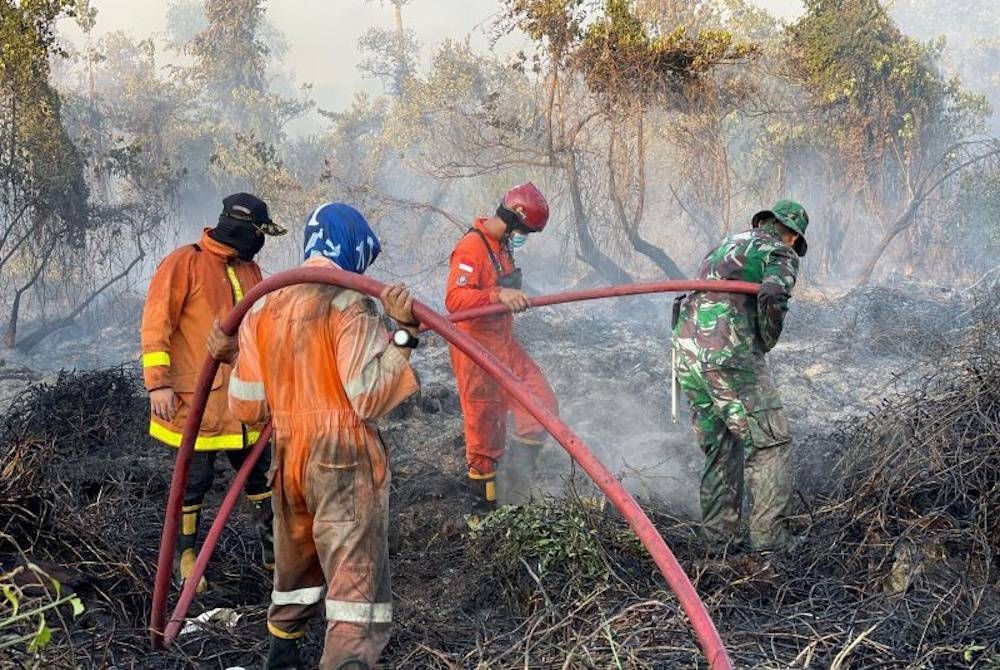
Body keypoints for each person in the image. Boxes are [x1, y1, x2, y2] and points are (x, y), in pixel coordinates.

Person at [228, 202, 420, 670]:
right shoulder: (348, 302)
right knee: (355, 582)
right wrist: (404, 336)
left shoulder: (264, 306)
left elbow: (247, 407)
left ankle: (282, 654)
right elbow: (369, 396)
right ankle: (347, 660)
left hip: (289, 454)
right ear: (354, 248)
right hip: (343, 458)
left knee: (295, 562)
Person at [140, 193, 286, 592]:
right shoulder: (183, 263)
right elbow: (156, 326)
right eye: (259, 232)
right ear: (241, 226)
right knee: (194, 480)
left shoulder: (251, 270)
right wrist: (159, 384)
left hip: (245, 403)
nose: (261, 241)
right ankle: (187, 559)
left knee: (260, 476)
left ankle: (274, 555)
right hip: (196, 403)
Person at [672, 199, 809, 553]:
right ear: (791, 234)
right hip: (728, 352)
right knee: (771, 443)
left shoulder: (724, 246)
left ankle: (719, 539)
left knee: (720, 445)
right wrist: (765, 338)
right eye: (795, 240)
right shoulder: (780, 251)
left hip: (687, 353)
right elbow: (774, 293)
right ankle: (770, 543)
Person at [445, 182, 559, 509]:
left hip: (504, 345)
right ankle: (483, 515)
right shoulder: (471, 247)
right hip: (475, 352)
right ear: (514, 215)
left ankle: (516, 483)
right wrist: (498, 295)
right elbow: (454, 299)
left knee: (542, 404)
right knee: (485, 435)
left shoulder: (503, 247)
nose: (524, 236)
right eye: (525, 229)